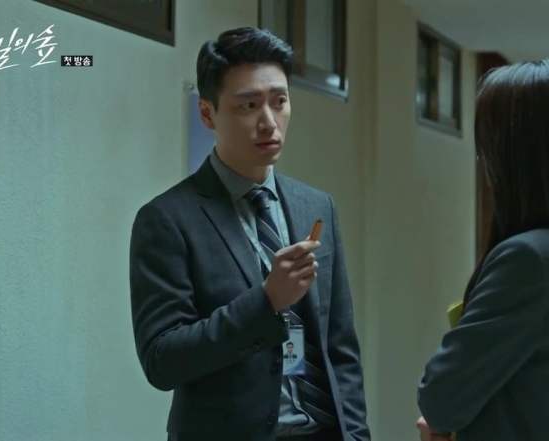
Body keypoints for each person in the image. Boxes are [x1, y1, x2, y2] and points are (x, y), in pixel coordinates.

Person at [129, 27, 369, 441]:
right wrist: (266, 301)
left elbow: (340, 348)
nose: (269, 122)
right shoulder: (167, 219)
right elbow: (162, 361)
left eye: (280, 101)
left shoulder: (316, 206)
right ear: (208, 114)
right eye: (249, 105)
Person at [416, 59, 549, 441]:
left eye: (488, 146)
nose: (483, 162)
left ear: (516, 158)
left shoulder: (529, 261)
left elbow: (440, 399)